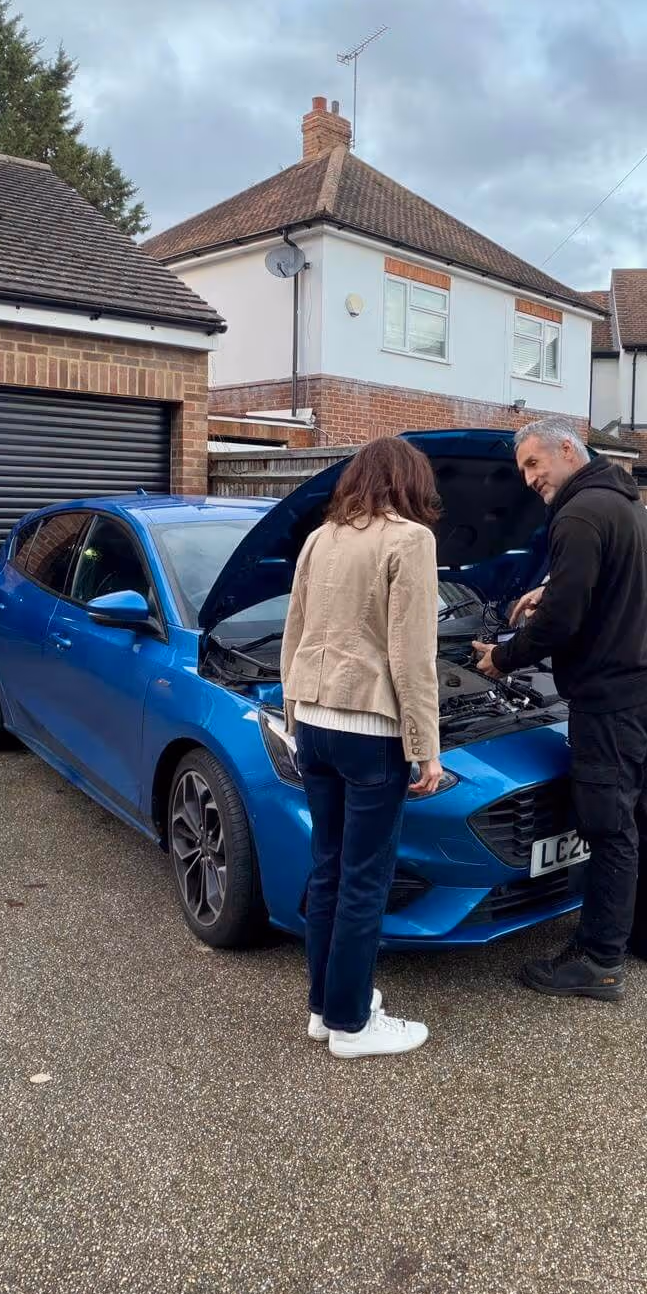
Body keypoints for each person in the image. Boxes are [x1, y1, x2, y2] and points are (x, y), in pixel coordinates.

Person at [472, 420, 647, 1001]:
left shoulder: (579, 513)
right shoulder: (620, 501)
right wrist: (552, 583)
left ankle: (598, 960)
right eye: (524, 472)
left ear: (567, 449)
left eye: (534, 464)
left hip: (611, 695)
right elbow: (598, 582)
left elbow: (563, 622)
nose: (531, 480)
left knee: (608, 824)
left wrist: (503, 660)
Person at [281, 436, 444, 1059]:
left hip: (315, 723)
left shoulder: (321, 538)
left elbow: (294, 630)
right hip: (370, 730)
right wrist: (425, 747)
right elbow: (412, 654)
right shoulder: (410, 540)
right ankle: (352, 1025)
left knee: (327, 868)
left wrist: (294, 714)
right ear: (409, 482)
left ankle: (326, 1008)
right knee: (364, 880)